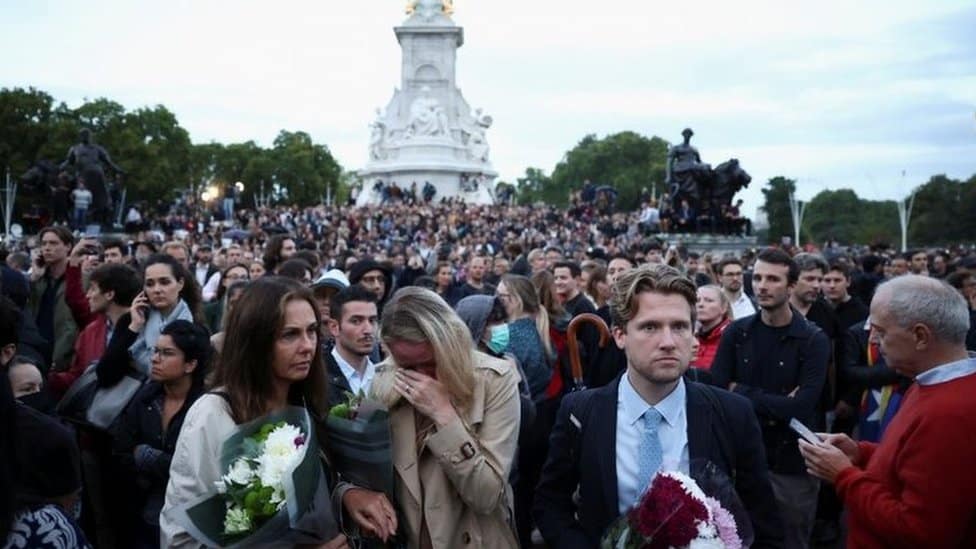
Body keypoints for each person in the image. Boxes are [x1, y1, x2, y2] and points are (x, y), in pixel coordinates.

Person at [533, 264, 783, 548]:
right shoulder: (580, 412)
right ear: (619, 335)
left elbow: (763, 521)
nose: (667, 342)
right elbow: (550, 504)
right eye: (650, 327)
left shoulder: (732, 413)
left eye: (679, 327)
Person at [159, 277, 348, 548]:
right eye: (289, 334)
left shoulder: (312, 403)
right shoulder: (214, 414)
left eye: (312, 331)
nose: (307, 345)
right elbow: (181, 538)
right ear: (255, 341)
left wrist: (347, 494)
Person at [799, 275, 976, 547]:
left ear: (920, 336)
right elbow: (911, 466)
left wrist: (844, 475)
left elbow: (920, 531)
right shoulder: (928, 382)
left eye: (881, 332)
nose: (872, 340)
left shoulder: (951, 413)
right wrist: (861, 453)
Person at [341, 287, 521, 548]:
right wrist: (350, 493)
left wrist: (445, 416)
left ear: (450, 343)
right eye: (408, 366)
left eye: (431, 362)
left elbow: (486, 495)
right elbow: (354, 469)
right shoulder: (381, 381)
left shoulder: (494, 380)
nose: (423, 377)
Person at [710, 247, 830, 549]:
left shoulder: (813, 339)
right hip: (741, 460)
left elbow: (801, 406)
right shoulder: (737, 333)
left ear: (791, 286)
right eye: (759, 277)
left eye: (773, 279)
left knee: (789, 540)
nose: (762, 285)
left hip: (790, 465)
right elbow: (718, 391)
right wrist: (776, 402)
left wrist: (741, 391)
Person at [113, 320, 211, 548]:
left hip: (188, 517)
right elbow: (121, 450)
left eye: (167, 353)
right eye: (156, 351)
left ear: (190, 364)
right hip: (139, 509)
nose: (155, 358)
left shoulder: (206, 407)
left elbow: (197, 470)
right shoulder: (145, 397)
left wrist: (148, 456)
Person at [96, 254, 199, 386]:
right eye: (150, 284)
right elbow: (105, 375)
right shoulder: (131, 321)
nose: (157, 290)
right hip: (133, 400)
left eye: (164, 282)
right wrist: (133, 328)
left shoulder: (194, 327)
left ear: (180, 284)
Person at [28, 226, 79, 373]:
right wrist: (34, 278)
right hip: (36, 351)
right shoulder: (39, 279)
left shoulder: (80, 279)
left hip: (64, 355)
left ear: (68, 246)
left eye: (53, 243)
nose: (47, 248)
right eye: (44, 244)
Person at [324, 286, 378, 410]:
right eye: (356, 321)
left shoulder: (385, 376)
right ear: (334, 327)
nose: (368, 330)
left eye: (372, 320)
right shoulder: (317, 378)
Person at [688, 284, 731, 376]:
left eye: (709, 300)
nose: (701, 304)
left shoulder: (732, 338)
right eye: (697, 300)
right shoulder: (690, 338)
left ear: (724, 308)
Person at [203, 263, 249, 334]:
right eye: (234, 277)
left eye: (244, 277)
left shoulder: (256, 309)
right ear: (224, 282)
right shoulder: (209, 310)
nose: (239, 281)